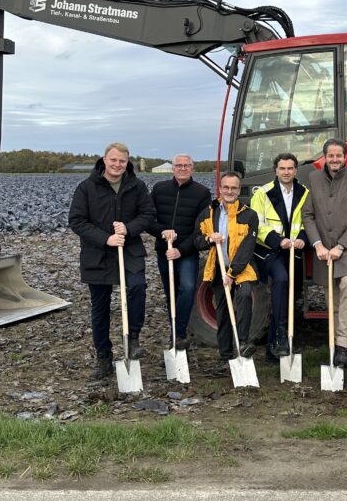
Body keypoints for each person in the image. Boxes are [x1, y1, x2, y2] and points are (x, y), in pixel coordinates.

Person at [68, 142, 154, 380]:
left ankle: (133, 338)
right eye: (114, 160)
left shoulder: (136, 186)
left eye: (122, 161)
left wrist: (128, 228)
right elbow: (76, 220)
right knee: (100, 308)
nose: (117, 165)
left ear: (128, 163)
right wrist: (106, 239)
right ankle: (103, 358)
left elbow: (147, 215)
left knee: (137, 287)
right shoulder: (86, 188)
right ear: (104, 160)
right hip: (98, 254)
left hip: (130, 251)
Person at [303, 139, 347, 368]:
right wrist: (318, 244)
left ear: (345, 157)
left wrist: (341, 246)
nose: (334, 159)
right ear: (325, 157)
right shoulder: (313, 179)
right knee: (330, 295)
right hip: (323, 249)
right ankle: (335, 344)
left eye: (338, 155)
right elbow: (308, 215)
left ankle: (344, 346)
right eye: (330, 155)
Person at [194, 171, 259, 362]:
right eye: (226, 187)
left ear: (239, 190)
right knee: (222, 310)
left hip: (241, 269)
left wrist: (232, 274)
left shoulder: (249, 215)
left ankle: (244, 343)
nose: (229, 191)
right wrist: (209, 239)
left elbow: (247, 249)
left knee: (245, 295)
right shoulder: (209, 213)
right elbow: (196, 240)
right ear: (220, 189)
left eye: (234, 188)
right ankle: (225, 355)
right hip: (218, 268)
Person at [250, 152, 309, 363]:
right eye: (282, 168)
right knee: (281, 280)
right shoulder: (263, 193)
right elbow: (257, 223)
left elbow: (307, 221)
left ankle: (274, 349)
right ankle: (280, 334)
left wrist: (302, 237)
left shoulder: (304, 193)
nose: (286, 172)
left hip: (294, 252)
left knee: (289, 296)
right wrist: (278, 240)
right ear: (276, 170)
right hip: (270, 251)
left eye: (290, 168)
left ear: (296, 170)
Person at [149, 154, 211, 349]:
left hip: (187, 252)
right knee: (171, 294)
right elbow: (147, 219)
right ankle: (176, 336)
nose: (182, 168)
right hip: (164, 251)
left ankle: (180, 333)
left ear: (192, 168)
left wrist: (181, 250)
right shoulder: (159, 190)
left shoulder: (202, 193)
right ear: (173, 168)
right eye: (179, 165)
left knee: (188, 287)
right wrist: (161, 231)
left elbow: (201, 229)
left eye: (186, 165)